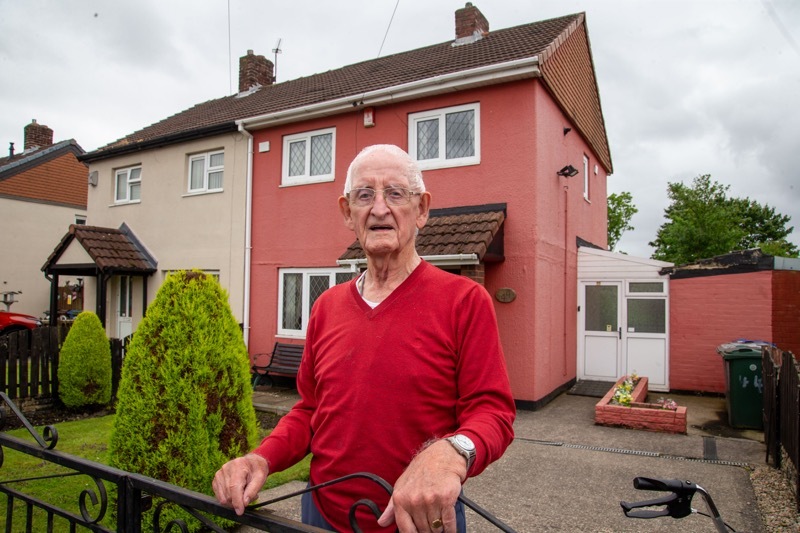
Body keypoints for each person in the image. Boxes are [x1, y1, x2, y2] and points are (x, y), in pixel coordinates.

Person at [213, 144, 515, 532]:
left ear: (422, 209)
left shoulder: (464, 300)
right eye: (364, 195)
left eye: (395, 193)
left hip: (420, 522)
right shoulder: (326, 307)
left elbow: (493, 414)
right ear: (347, 212)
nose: (379, 208)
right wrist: (262, 458)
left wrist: (452, 452)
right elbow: (310, 411)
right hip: (320, 515)